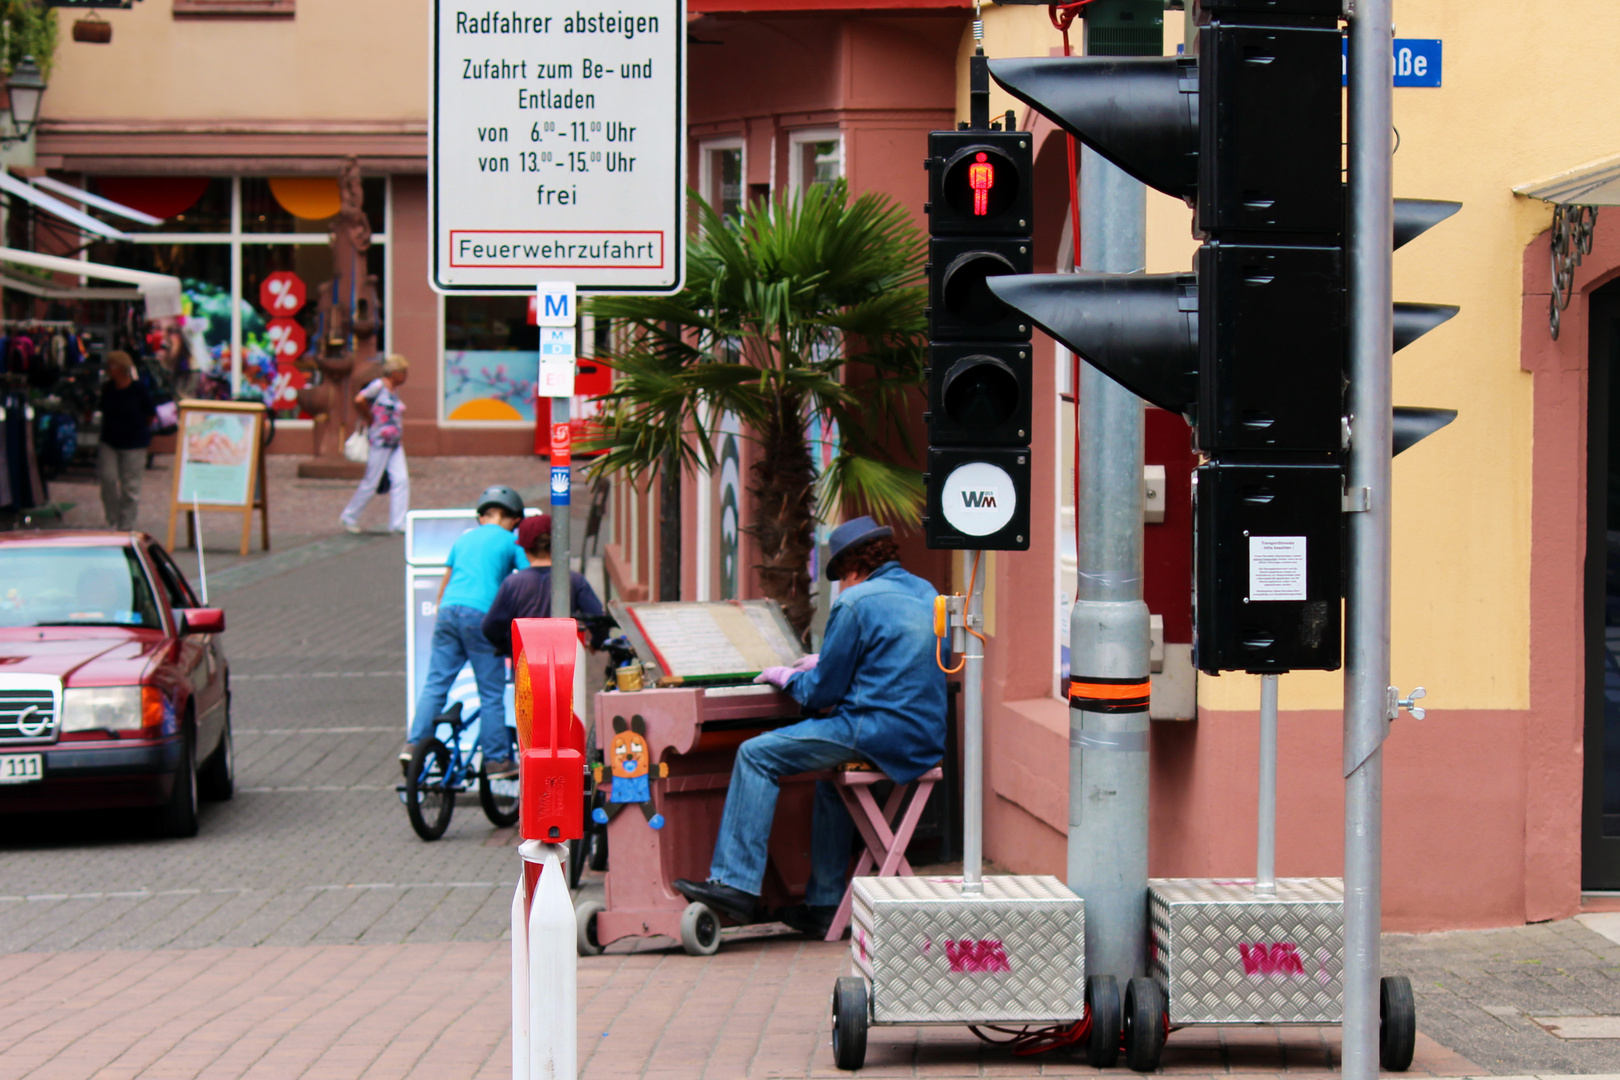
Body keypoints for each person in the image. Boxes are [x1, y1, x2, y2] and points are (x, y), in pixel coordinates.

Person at [674, 516, 946, 939]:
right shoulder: (927, 593)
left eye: (840, 578)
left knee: (755, 753)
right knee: (829, 785)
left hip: (872, 732)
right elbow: (895, 663)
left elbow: (821, 693)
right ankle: (822, 904)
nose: (840, 586)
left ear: (852, 568)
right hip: (923, 739)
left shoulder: (855, 603)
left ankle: (735, 884)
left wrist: (787, 676)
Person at [406, 485, 527, 779]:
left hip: (448, 612)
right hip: (482, 617)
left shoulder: (464, 540)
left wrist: (443, 617)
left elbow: (445, 582)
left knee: (436, 684)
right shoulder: (512, 542)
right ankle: (497, 760)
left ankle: (412, 745)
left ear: (482, 516)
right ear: (512, 519)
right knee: (490, 693)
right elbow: (526, 582)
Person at [481, 513, 605, 656]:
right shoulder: (574, 580)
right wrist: (596, 643)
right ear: (557, 545)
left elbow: (490, 627)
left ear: (525, 549)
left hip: (526, 664)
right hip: (565, 663)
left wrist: (509, 648)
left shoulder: (513, 583)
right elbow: (598, 621)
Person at [340, 354, 411, 534]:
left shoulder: (395, 390)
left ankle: (397, 522)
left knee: (401, 479)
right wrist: (369, 417)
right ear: (394, 372)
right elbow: (359, 399)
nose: (405, 376)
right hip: (380, 441)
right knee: (371, 482)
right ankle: (349, 515)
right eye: (403, 372)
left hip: (394, 442)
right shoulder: (378, 386)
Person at [97, 350, 156, 531]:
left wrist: (141, 430)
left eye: (111, 365)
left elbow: (150, 414)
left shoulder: (138, 389)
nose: (108, 369)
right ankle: (113, 517)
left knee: (130, 485)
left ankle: (127, 524)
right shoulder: (108, 388)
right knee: (107, 478)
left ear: (122, 367)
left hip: (134, 442)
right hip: (110, 441)